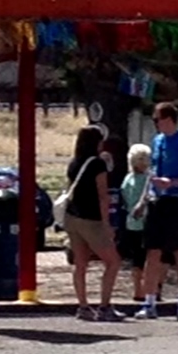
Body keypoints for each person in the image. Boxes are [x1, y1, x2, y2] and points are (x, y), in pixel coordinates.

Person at [135, 102, 178, 321]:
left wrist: (173, 183)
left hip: (176, 201)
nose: (155, 124)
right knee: (152, 252)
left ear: (169, 119)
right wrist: (143, 199)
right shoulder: (157, 141)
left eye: (157, 119)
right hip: (157, 201)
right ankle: (150, 302)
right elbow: (153, 172)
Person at [63, 127, 126, 322]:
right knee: (113, 261)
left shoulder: (74, 163)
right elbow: (102, 196)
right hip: (92, 219)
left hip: (72, 217)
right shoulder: (98, 164)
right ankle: (105, 306)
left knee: (80, 263)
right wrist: (107, 224)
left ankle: (83, 306)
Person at [118, 144, 153, 302]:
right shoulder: (149, 179)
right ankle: (150, 289)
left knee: (136, 259)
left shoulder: (127, 179)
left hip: (131, 222)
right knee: (149, 256)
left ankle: (137, 289)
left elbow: (124, 199)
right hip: (147, 222)